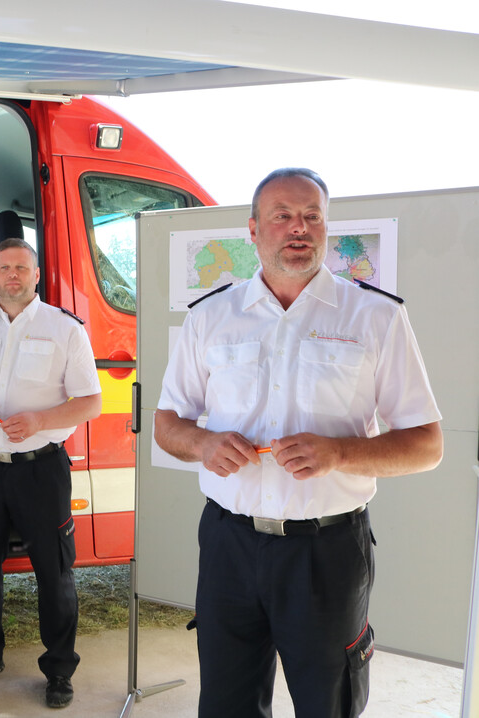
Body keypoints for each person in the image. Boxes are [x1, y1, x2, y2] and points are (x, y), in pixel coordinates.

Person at [154, 168, 443, 717]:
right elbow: (169, 422)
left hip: (327, 552)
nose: (298, 228)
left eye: (312, 216)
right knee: (225, 703)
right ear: (254, 230)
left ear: (326, 229)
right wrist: (203, 444)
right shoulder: (212, 317)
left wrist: (341, 453)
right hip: (227, 545)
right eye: (282, 215)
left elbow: (427, 445)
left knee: (326, 704)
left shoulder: (376, 317)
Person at [0, 238, 102, 709]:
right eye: (4, 267)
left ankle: (60, 669)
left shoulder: (65, 329)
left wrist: (41, 421)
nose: (12, 275)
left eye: (21, 268)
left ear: (36, 275)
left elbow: (91, 401)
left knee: (55, 572)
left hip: (40, 469)